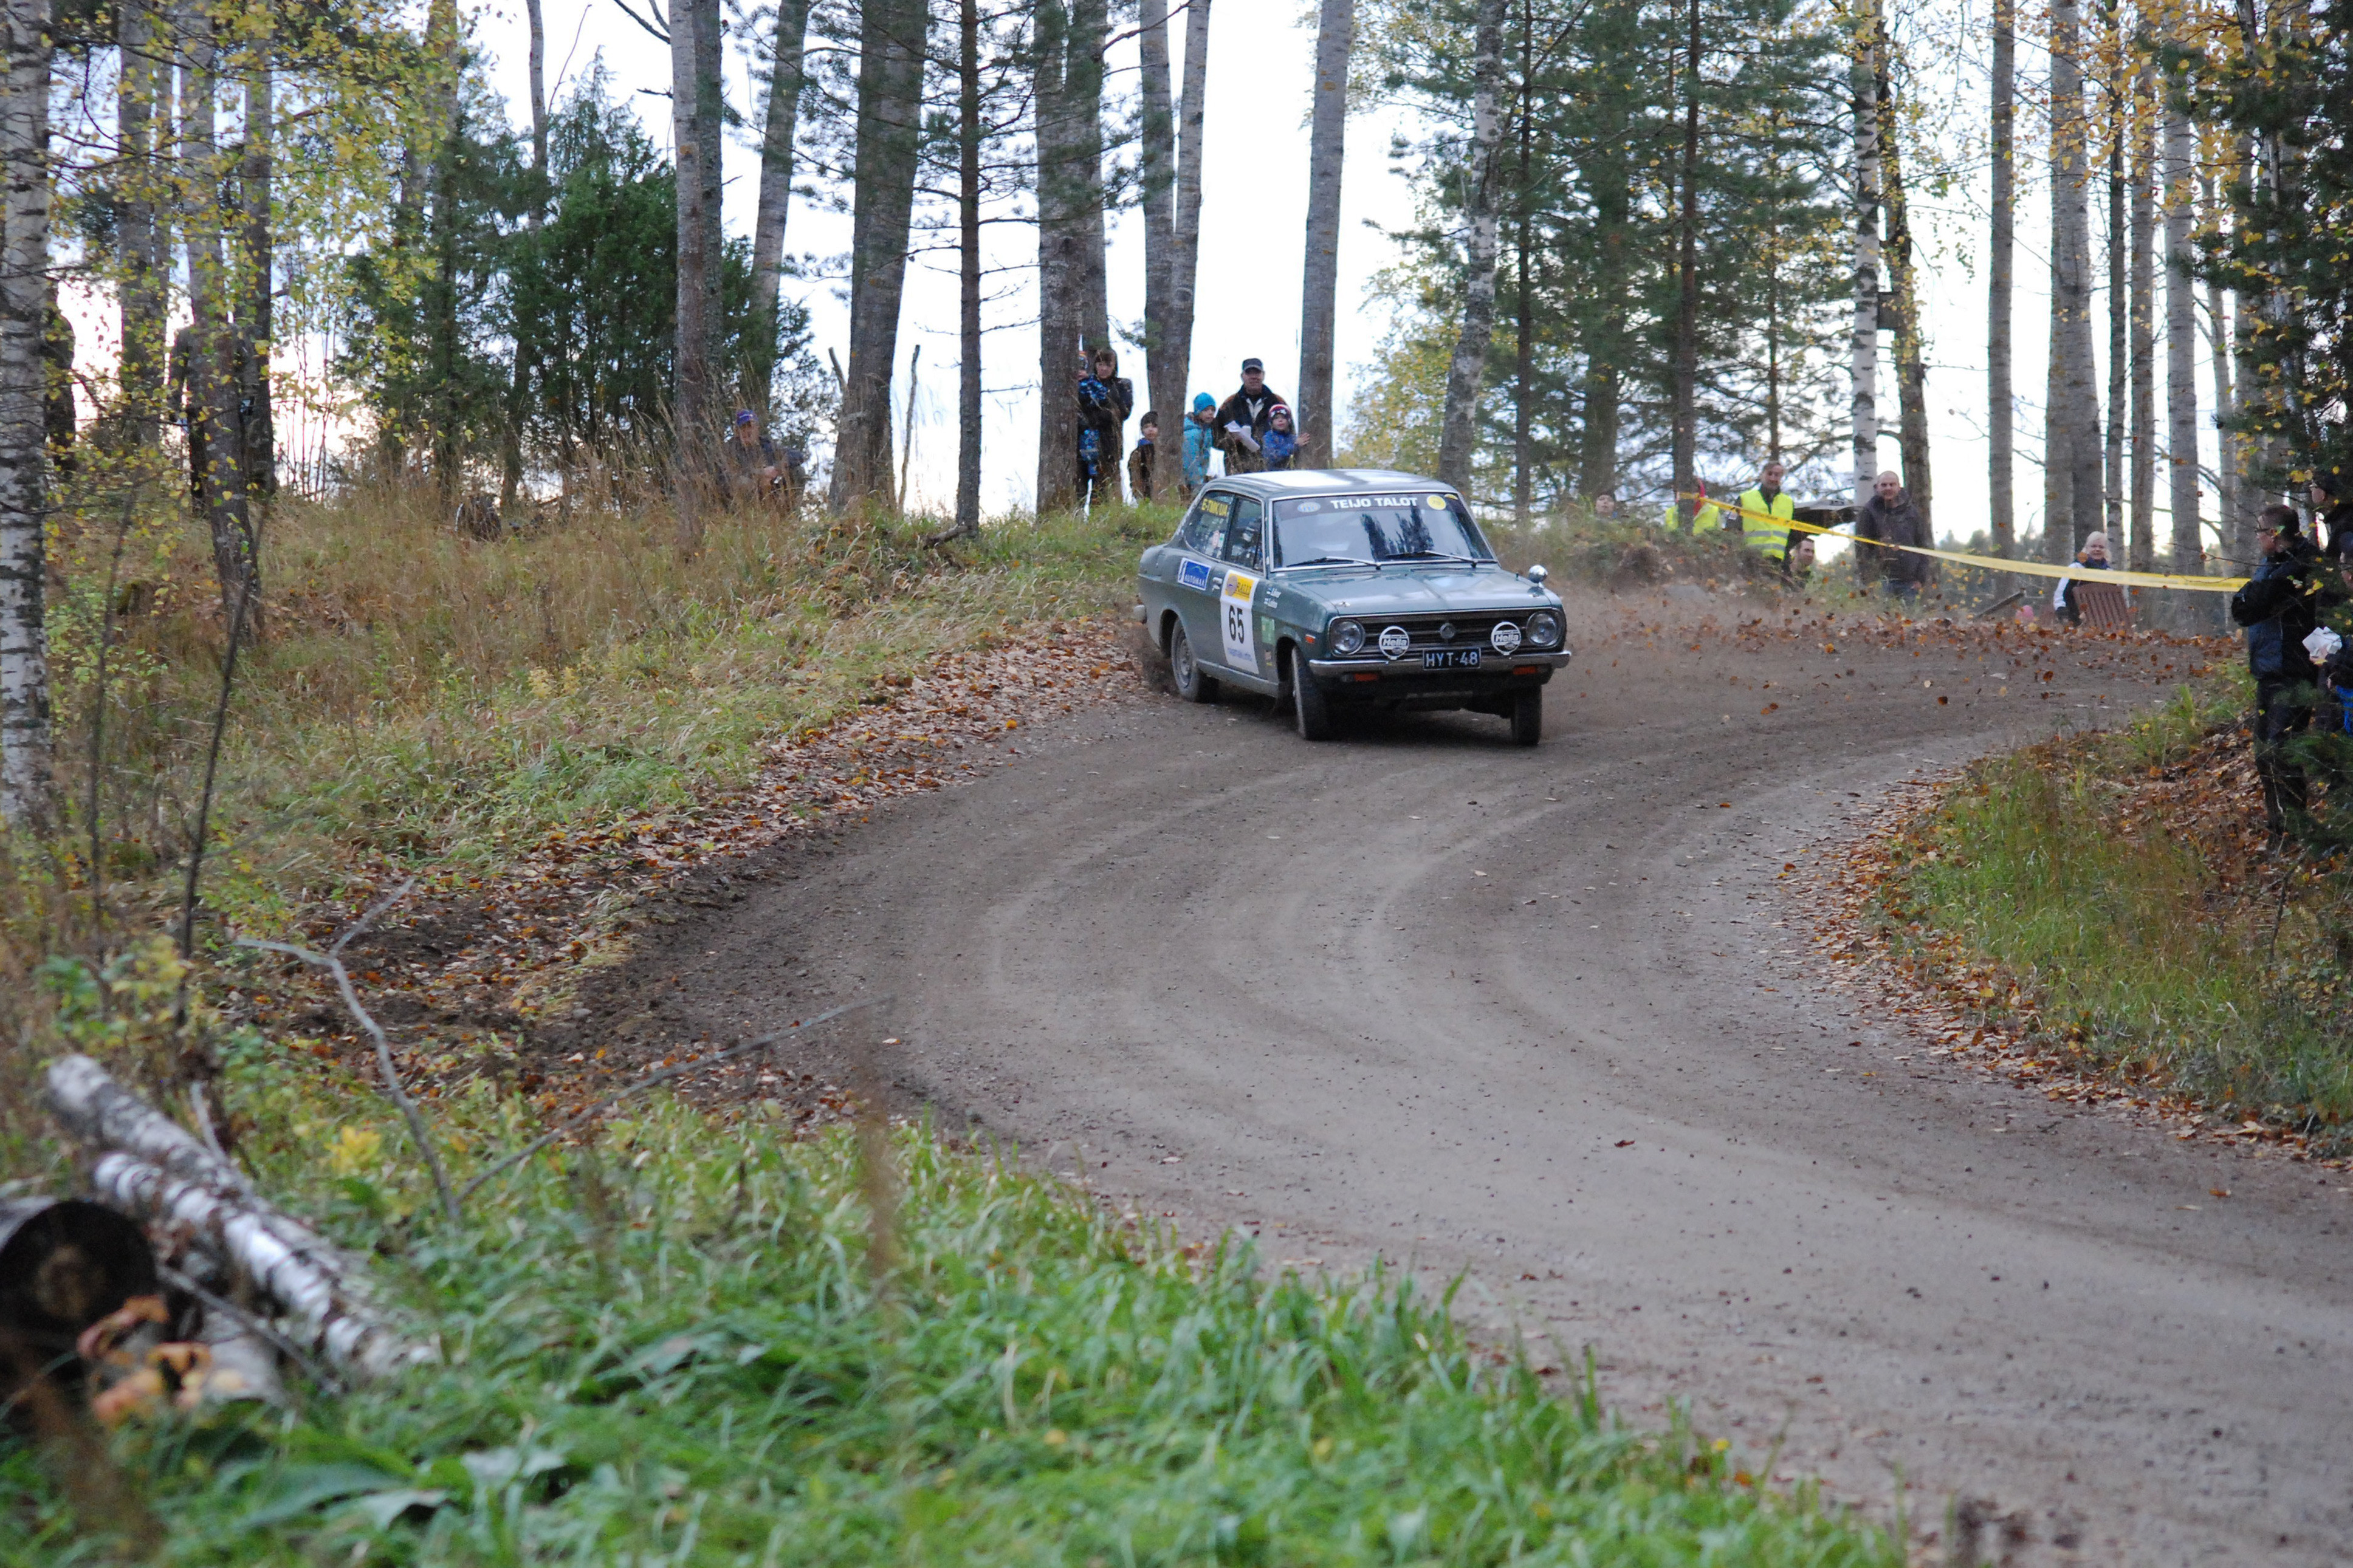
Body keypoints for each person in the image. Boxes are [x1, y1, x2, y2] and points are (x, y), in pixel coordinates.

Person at [2230, 504, 2342, 840]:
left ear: (2276, 534)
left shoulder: (2304, 566)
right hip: (2267, 669)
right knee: (2264, 752)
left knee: (2282, 750)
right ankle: (2279, 828)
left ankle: (2296, 827)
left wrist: (2258, 596)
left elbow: (2255, 603)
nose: (2259, 538)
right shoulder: (2272, 565)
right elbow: (2243, 608)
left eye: (2263, 531)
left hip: (2293, 670)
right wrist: (2254, 596)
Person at [1854, 470, 1932, 600]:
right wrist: (1868, 579)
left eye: (1892, 485)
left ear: (1899, 487)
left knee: (1910, 619)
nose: (1888, 488)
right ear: (1877, 488)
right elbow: (1862, 548)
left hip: (1910, 581)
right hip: (1881, 580)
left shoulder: (1912, 511)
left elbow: (1922, 545)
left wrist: (1921, 579)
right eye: (1884, 485)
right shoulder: (1869, 512)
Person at [1076, 348, 1133, 507]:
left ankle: (1099, 523)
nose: (1104, 369)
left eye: (1108, 365)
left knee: (1102, 491)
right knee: (1079, 490)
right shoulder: (1085, 383)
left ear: (1114, 366)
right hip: (1083, 444)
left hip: (1109, 445)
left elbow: (1123, 412)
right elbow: (1077, 410)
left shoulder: (1122, 385)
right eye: (1100, 364)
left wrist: (1098, 416)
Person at [1213, 358, 1286, 474]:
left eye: (1257, 373)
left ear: (1263, 375)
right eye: (1249, 373)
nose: (1254, 377)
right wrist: (1232, 441)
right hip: (1238, 470)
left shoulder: (1278, 403)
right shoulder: (1229, 405)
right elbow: (1215, 438)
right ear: (1242, 376)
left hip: (1272, 470)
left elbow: (1290, 435)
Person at [1735, 461, 1797, 571]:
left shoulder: (1788, 503)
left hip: (1778, 564)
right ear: (1762, 475)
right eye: (1770, 474)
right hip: (1749, 562)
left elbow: (1792, 535)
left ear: (1781, 477)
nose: (1773, 478)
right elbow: (1732, 529)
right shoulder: (1745, 499)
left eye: (1777, 475)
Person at [2051, 531, 2114, 626]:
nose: (2097, 549)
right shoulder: (2076, 568)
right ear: (2087, 548)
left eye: (2101, 547)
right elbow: (2061, 593)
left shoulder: (2110, 573)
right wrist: (2061, 610)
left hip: (2104, 620)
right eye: (2093, 546)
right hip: (2075, 617)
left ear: (2105, 550)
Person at [1180, 392, 1218, 497]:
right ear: (1198, 411)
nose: (1210, 413)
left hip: (1200, 477)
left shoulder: (1206, 429)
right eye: (1206, 410)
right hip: (1191, 482)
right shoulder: (1192, 433)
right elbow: (1191, 462)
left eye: (1213, 410)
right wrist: (1197, 485)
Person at [2310, 474, 2353, 556]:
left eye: (2313, 488)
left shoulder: (2344, 525)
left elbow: (2332, 563)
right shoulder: (2343, 517)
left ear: (2322, 494)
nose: (2311, 492)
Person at [1128, 411, 1159, 502]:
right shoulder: (1138, 453)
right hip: (1144, 494)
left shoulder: (1163, 451)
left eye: (1154, 426)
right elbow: (1134, 475)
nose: (1150, 430)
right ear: (1142, 430)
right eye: (1146, 427)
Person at [1261, 404, 1299, 471]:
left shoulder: (1292, 438)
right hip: (1272, 474)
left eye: (1284, 418)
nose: (1280, 420)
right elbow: (1272, 457)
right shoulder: (1269, 438)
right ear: (1271, 423)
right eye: (1276, 418)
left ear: (1289, 421)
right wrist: (1295, 446)